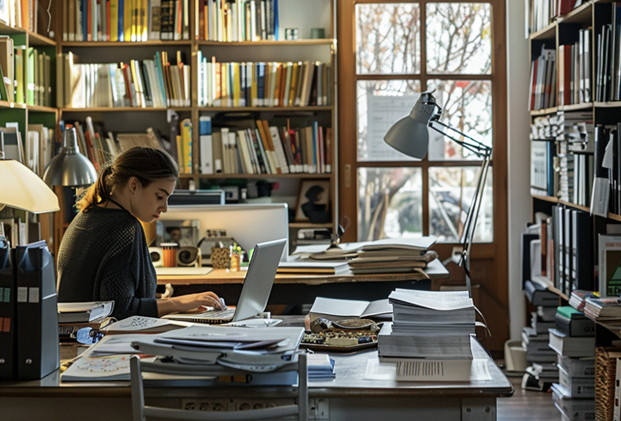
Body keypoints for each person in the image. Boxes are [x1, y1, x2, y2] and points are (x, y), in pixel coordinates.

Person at [57, 147, 223, 320]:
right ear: (134, 185)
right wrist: (178, 303)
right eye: (159, 196)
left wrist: (167, 307)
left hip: (75, 339)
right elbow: (122, 310)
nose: (165, 207)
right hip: (102, 342)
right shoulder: (125, 229)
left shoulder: (85, 215)